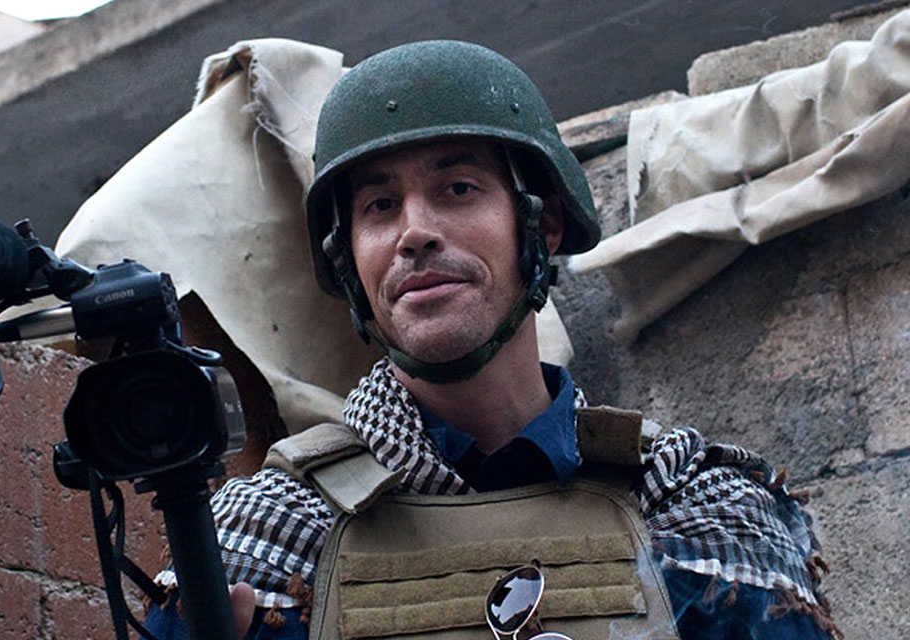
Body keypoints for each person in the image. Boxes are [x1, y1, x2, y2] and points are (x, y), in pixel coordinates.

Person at [144, 40, 838, 640]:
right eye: (380, 206)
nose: (415, 232)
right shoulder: (259, 537)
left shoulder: (693, 509)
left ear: (543, 227)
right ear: (349, 260)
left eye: (458, 188)